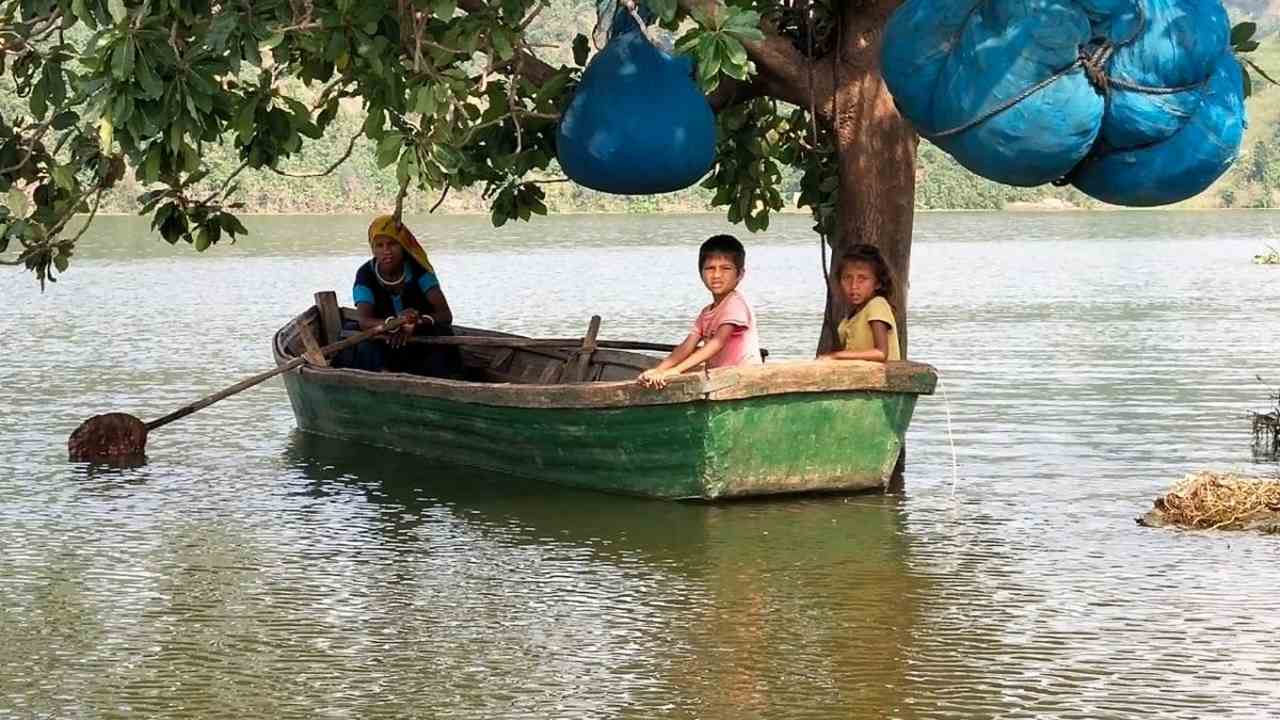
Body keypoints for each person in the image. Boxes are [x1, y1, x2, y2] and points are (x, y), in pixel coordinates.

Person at [338, 215, 464, 378]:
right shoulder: (365, 274)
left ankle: (443, 381)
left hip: (420, 341)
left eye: (392, 244)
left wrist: (415, 322)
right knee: (356, 335)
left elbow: (445, 315)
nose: (386, 251)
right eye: (379, 245)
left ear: (403, 245)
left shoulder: (419, 270)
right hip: (385, 341)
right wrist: (394, 324)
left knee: (444, 334)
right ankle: (384, 377)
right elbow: (364, 320)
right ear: (373, 248)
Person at [638, 234, 762, 389]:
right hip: (722, 381)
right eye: (710, 268)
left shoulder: (735, 303)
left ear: (740, 274)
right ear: (701, 273)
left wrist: (676, 370)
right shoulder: (706, 313)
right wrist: (659, 370)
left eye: (726, 268)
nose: (717, 275)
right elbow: (687, 346)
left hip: (744, 380)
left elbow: (717, 343)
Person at [819, 243, 901, 363]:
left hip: (882, 378)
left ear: (878, 283)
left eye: (862, 279)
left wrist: (836, 356)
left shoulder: (877, 305)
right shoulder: (851, 317)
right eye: (847, 278)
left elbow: (881, 353)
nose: (854, 286)